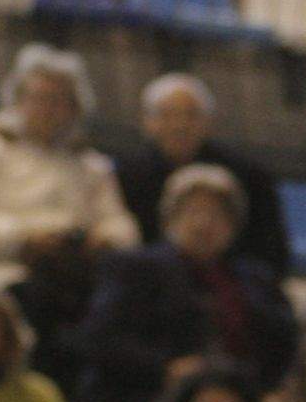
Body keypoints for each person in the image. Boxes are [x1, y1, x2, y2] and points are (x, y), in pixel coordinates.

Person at [73, 167, 297, 402]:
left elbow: (283, 343)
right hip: (146, 399)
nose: (204, 224)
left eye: (217, 214)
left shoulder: (255, 279)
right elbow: (100, 337)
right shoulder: (136, 267)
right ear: (170, 218)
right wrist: (166, 367)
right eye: (194, 211)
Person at [0, 43, 133, 318]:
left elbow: (122, 226)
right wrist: (24, 238)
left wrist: (102, 239)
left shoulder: (88, 163)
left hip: (74, 276)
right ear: (18, 99)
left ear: (75, 107)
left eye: (59, 100)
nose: (48, 109)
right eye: (39, 98)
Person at [115, 73, 289, 282]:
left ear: (209, 122)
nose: (179, 125)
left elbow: (271, 254)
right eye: (167, 114)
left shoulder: (250, 177)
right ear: (147, 122)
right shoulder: (126, 176)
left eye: (191, 115)